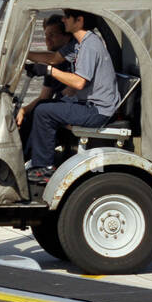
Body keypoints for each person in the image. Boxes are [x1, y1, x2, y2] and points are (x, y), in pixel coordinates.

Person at [24, 9, 120, 184]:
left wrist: (48, 71)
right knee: (42, 106)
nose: (63, 19)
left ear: (79, 21)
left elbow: (78, 83)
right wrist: (23, 54)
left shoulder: (89, 46)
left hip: (97, 110)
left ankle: (43, 168)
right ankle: (30, 160)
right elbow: (54, 58)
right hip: (87, 105)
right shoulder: (79, 43)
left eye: (67, 17)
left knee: (44, 112)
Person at [17, 14, 77, 157]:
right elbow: (44, 96)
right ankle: (23, 158)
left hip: (72, 106)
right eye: (46, 35)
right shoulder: (54, 64)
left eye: (53, 35)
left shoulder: (72, 59)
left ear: (66, 37)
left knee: (41, 112)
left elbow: (73, 89)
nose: (47, 40)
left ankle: (40, 164)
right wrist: (23, 110)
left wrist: (22, 53)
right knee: (27, 117)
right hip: (61, 106)